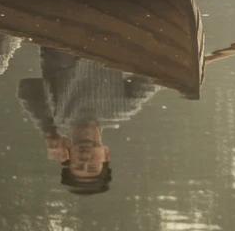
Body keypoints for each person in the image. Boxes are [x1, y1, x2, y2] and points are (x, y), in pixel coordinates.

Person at [17, 47, 160, 194]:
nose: (85, 158)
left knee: (61, 59)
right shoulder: (122, 109)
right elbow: (153, 79)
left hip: (65, 37)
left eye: (78, 165)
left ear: (69, 154)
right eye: (92, 166)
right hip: (112, 40)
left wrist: (48, 130)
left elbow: (26, 89)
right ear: (105, 154)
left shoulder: (57, 120)